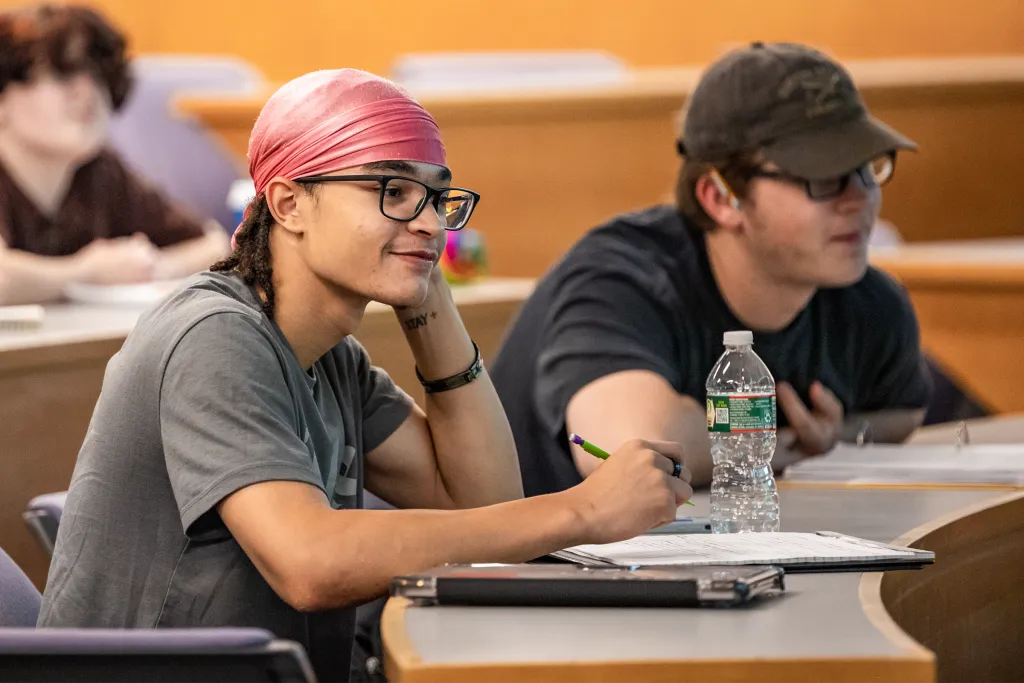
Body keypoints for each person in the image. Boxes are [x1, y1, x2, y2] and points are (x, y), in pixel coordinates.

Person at [37, 68, 693, 683]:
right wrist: (584, 509)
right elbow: (312, 562)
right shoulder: (215, 336)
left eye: (438, 198)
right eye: (394, 192)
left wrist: (426, 297)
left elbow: (481, 503)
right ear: (290, 203)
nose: (431, 221)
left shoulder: (331, 358)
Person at [490, 42, 932, 498]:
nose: (860, 198)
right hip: (536, 564)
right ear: (721, 198)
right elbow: (627, 452)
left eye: (866, 168)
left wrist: (835, 438)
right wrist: (778, 447)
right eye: (822, 178)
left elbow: (903, 411)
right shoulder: (621, 279)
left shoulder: (864, 299)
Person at [0, 4, 228, 305]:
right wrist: (84, 273)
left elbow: (213, 243)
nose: (86, 92)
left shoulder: (101, 170)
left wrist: (152, 267)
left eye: (97, 75)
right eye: (61, 75)